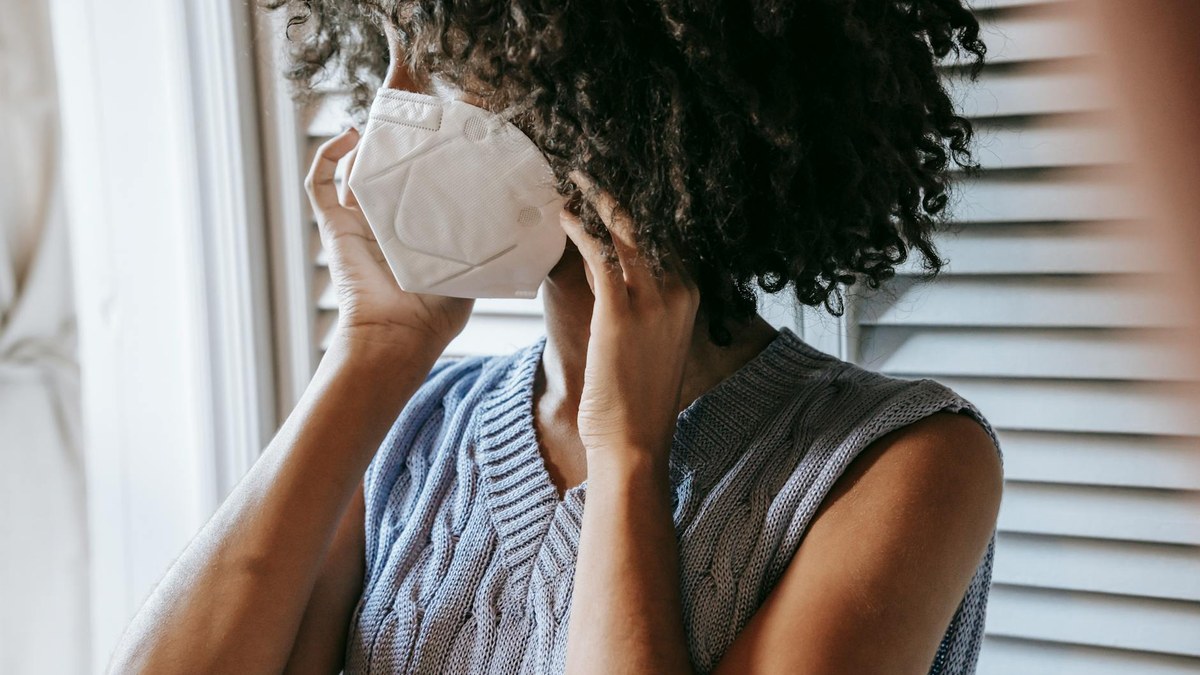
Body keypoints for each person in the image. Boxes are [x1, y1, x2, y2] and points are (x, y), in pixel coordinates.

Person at [109, 2, 1004, 673]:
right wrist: (374, 347)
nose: (392, 107)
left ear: (624, 92)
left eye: (447, 67)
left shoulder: (904, 462)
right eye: (388, 54)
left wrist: (628, 458)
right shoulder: (413, 430)